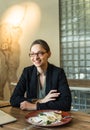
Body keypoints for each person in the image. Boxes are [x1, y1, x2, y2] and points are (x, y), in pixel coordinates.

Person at [10, 39, 72, 111]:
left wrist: (34, 106)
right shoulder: (27, 72)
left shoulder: (58, 73)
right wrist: (41, 101)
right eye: (32, 54)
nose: (36, 57)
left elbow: (66, 104)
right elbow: (14, 99)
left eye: (40, 53)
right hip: (32, 117)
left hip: (53, 117)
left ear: (49, 54)